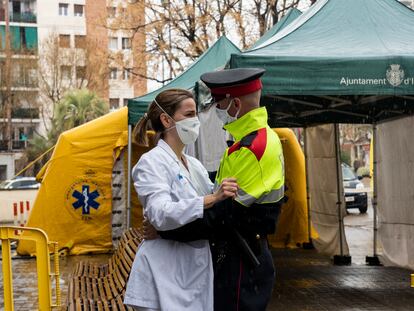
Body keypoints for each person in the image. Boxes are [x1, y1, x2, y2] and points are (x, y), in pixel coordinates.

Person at [158, 68, 286, 311]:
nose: (215, 110)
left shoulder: (253, 148)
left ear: (235, 104)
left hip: (242, 257)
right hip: (240, 253)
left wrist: (165, 230)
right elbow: (218, 192)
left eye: (219, 103)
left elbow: (223, 216)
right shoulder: (248, 142)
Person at [124, 88, 239, 311]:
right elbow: (159, 213)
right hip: (163, 271)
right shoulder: (151, 163)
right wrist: (210, 199)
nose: (195, 120)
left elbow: (213, 212)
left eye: (195, 114)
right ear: (166, 120)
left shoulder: (194, 165)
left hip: (193, 269)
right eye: (188, 114)